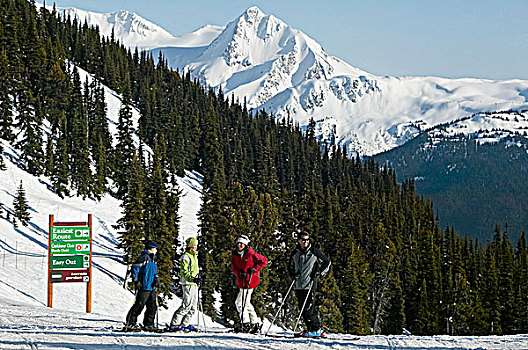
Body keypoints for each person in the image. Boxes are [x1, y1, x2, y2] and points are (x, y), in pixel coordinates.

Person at [288, 231, 331, 338]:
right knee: (302, 308)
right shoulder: (295, 253)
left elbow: (327, 262)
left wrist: (319, 272)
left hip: (310, 283)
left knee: (308, 308)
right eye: (303, 240)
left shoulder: (314, 251)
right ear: (299, 240)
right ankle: (310, 328)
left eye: (307, 240)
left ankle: (316, 329)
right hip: (299, 284)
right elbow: (290, 267)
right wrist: (293, 274)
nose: (306, 242)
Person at [231, 234, 268, 334]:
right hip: (242, 281)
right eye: (238, 243)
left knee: (239, 303)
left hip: (250, 281)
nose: (239, 245)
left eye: (242, 244)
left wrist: (254, 269)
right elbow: (233, 268)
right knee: (246, 303)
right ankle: (254, 323)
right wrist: (239, 273)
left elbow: (264, 261)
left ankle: (245, 323)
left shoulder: (251, 254)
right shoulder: (235, 255)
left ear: (245, 244)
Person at [124, 240, 160, 332]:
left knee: (152, 306)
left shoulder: (153, 259)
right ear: (151, 248)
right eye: (155, 248)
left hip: (151, 286)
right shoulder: (144, 257)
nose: (156, 250)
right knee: (139, 305)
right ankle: (130, 323)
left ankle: (149, 324)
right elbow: (135, 268)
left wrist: (156, 278)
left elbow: (154, 271)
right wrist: (136, 280)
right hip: (144, 286)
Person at [167, 237, 201, 332]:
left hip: (193, 284)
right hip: (188, 283)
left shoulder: (194, 256)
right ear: (189, 247)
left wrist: (197, 277)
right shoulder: (185, 257)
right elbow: (184, 272)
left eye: (195, 246)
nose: (194, 248)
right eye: (193, 246)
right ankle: (174, 324)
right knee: (186, 305)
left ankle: (185, 324)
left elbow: (194, 270)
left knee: (193, 307)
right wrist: (192, 278)